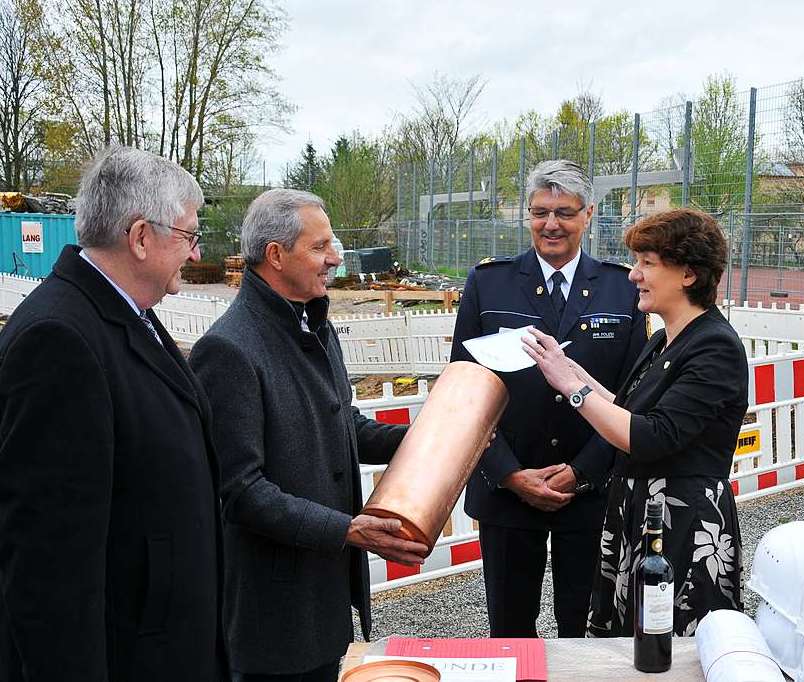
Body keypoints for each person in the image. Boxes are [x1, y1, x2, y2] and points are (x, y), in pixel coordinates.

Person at [0, 147, 228, 681]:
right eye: (190, 236)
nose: (195, 256)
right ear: (142, 237)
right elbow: (47, 568)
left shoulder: (126, 314)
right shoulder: (59, 338)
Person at [189, 189, 428, 682]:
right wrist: (346, 529)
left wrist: (435, 437)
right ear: (275, 255)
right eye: (320, 247)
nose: (335, 258)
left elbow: (348, 430)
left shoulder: (316, 326)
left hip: (322, 598)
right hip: (273, 615)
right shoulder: (228, 349)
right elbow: (241, 492)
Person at [523, 207, 748, 637]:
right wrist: (566, 367)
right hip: (643, 517)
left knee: (669, 654)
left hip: (683, 528)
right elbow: (625, 408)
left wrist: (570, 389)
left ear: (687, 274)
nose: (633, 274)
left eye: (647, 263)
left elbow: (648, 436)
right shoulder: (666, 337)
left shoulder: (715, 346)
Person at [450, 159, 647, 638]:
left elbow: (632, 398)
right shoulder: (489, 283)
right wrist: (510, 474)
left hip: (590, 493)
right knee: (511, 631)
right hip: (508, 493)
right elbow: (463, 391)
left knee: (584, 630)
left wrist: (581, 472)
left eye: (564, 212)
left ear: (589, 215)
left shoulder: (625, 289)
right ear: (528, 214)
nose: (551, 224)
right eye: (540, 212)